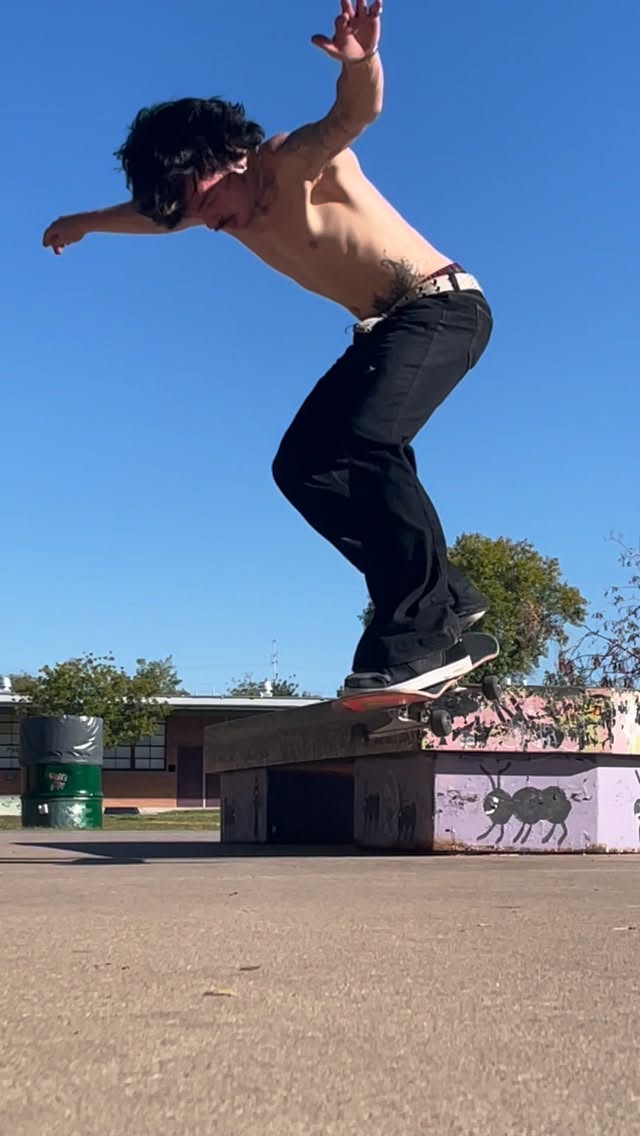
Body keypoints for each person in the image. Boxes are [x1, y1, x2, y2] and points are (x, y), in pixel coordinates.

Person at [42, 0, 493, 694]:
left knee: (364, 442)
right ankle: (445, 593)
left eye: (206, 200)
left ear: (229, 155)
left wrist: (361, 62)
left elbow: (354, 114)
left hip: (443, 307)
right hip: (385, 330)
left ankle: (423, 629)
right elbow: (154, 219)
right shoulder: (208, 206)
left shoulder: (291, 161)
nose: (209, 222)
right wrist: (83, 222)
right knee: (303, 465)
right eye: (193, 215)